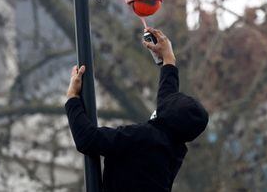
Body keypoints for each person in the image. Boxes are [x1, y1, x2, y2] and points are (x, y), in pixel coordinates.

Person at [65, 27, 209, 192]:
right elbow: (167, 101)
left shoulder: (142, 138)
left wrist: (72, 99)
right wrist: (168, 60)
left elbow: (87, 140)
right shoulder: (175, 149)